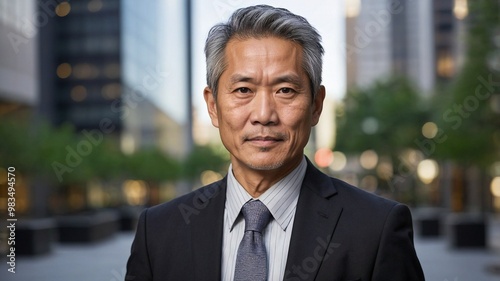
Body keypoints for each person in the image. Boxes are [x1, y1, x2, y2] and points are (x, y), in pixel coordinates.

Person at [125, 5, 425, 281]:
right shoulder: (159, 231)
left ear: (316, 105)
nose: (264, 115)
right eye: (243, 89)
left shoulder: (376, 228)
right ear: (213, 106)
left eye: (285, 90)